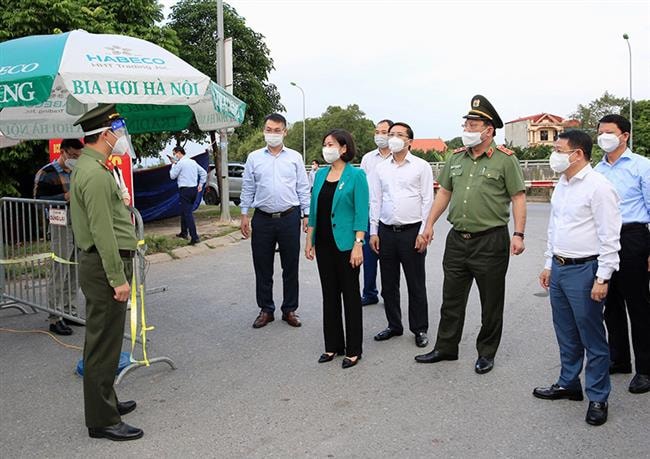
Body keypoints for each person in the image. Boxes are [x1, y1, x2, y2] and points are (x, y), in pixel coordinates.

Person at [415, 95, 526, 374]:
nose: (467, 128)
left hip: (490, 240)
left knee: (491, 301)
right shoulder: (455, 157)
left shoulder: (505, 160)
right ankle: (445, 347)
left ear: (488, 130)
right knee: (451, 297)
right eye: (466, 123)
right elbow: (444, 193)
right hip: (457, 239)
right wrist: (428, 225)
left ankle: (486, 352)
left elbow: (518, 197)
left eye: (473, 124)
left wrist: (519, 233)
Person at [534, 130, 621, 426]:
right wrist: (548, 263)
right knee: (566, 332)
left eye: (559, 149)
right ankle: (569, 383)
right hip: (559, 268)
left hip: (585, 270)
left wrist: (603, 277)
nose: (554, 154)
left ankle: (598, 396)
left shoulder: (599, 187)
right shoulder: (563, 183)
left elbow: (610, 237)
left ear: (578, 154)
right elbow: (554, 226)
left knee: (592, 336)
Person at [70, 104, 143, 441]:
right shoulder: (95, 174)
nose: (120, 136)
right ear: (104, 134)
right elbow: (102, 232)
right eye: (117, 130)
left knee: (105, 342)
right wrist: (118, 278)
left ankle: (107, 401)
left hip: (99, 265)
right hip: (104, 267)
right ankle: (102, 419)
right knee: (103, 345)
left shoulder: (89, 166)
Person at [594, 114, 650, 394]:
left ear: (624, 135)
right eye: (600, 132)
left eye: (609, 132)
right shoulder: (597, 170)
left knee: (638, 305)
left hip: (633, 238)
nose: (603, 136)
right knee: (611, 304)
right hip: (605, 241)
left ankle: (645, 369)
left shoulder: (642, 166)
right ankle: (619, 359)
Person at [240, 113, 311, 329]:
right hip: (262, 218)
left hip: (289, 216)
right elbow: (248, 187)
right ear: (264, 130)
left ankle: (290, 309)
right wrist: (244, 214)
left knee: (290, 266)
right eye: (268, 130)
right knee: (262, 266)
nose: (272, 134)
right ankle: (266, 309)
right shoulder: (254, 157)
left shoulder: (295, 157)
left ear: (285, 132)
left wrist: (306, 215)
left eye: (277, 130)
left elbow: (302, 187)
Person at [305, 129, 368, 368]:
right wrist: (309, 240)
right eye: (325, 144)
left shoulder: (356, 176)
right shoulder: (320, 175)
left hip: (347, 245)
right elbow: (314, 210)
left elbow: (362, 213)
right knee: (329, 295)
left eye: (330, 144)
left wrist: (358, 244)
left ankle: (353, 350)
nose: (326, 148)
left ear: (343, 148)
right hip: (324, 243)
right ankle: (332, 345)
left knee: (350, 296)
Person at [369, 122, 433, 348]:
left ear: (409, 141)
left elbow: (428, 200)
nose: (393, 138)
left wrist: (425, 231)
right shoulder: (381, 168)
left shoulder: (421, 166)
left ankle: (420, 328)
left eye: (399, 135)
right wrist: (374, 231)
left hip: (412, 231)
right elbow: (376, 200)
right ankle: (394, 325)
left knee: (415, 283)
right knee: (388, 283)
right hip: (386, 231)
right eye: (391, 134)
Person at [33, 138, 83, 336]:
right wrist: (63, 198)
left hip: (80, 224)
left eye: (79, 157)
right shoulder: (47, 172)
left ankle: (70, 311)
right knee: (59, 270)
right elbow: (37, 200)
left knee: (75, 270)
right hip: (59, 224)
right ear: (62, 152)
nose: (75, 160)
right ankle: (55, 317)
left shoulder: (79, 171)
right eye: (72, 156)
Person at [359, 119, 393, 306]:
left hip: (389, 214)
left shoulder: (398, 157)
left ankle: (389, 294)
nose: (380, 135)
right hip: (369, 213)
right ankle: (369, 292)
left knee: (387, 258)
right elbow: (363, 186)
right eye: (377, 131)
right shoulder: (368, 158)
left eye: (384, 131)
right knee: (369, 256)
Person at [169, 146, 207, 245]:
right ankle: (184, 232)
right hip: (194, 189)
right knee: (184, 210)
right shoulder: (192, 162)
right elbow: (203, 173)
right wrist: (201, 184)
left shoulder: (180, 163)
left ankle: (194, 237)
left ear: (178, 153)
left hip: (185, 190)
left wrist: (173, 164)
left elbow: (172, 176)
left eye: (174, 154)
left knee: (187, 213)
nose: (174, 156)